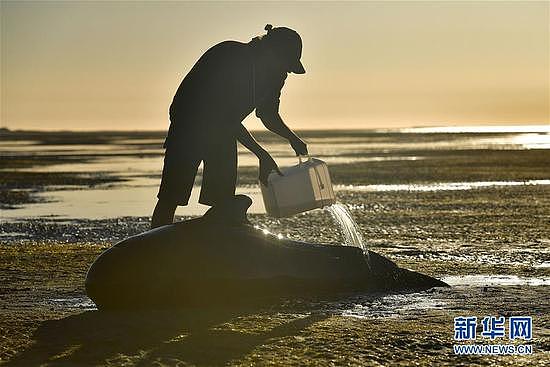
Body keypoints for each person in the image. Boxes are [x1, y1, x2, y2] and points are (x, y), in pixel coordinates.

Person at [151, 24, 308, 228]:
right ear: (269, 51)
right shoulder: (230, 56)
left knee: (222, 200)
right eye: (284, 63)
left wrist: (292, 138)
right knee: (171, 196)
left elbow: (267, 114)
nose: (285, 70)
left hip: (222, 133)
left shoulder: (275, 75)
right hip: (188, 126)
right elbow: (224, 118)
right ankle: (156, 243)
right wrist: (262, 154)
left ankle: (216, 247)